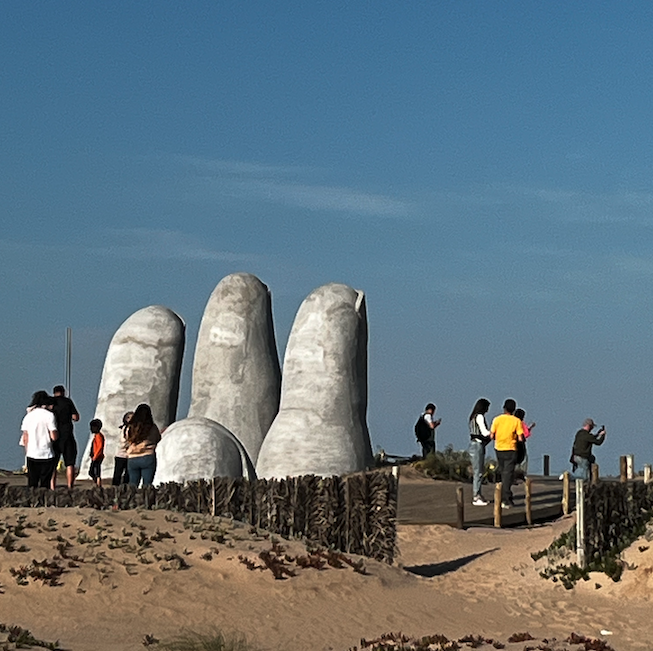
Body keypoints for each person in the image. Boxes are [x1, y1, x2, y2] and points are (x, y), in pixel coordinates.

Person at [20, 391, 58, 488]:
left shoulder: (28, 416)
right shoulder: (49, 415)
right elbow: (53, 436)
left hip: (32, 454)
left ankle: (33, 502)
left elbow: (25, 438)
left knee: (32, 482)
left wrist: (27, 452)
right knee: (45, 483)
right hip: (47, 454)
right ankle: (44, 501)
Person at [490, 398, 524, 509]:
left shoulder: (497, 420)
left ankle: (502, 496)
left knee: (503, 470)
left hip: (499, 448)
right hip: (511, 448)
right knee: (508, 474)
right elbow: (520, 438)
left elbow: (491, 435)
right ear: (514, 409)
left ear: (504, 408)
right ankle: (506, 498)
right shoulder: (516, 421)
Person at [50, 385, 80, 489]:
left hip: (54, 435)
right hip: (67, 435)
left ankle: (52, 486)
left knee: (52, 464)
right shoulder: (68, 402)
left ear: (54, 393)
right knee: (70, 463)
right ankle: (70, 486)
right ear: (64, 392)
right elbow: (76, 417)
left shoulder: (51, 403)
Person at [126, 404, 161, 487]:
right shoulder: (152, 427)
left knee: (133, 484)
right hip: (147, 456)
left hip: (132, 458)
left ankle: (131, 499)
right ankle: (146, 499)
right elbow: (158, 439)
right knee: (147, 485)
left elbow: (127, 439)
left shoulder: (130, 427)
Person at [468, 398, 492, 506]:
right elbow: (484, 432)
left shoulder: (472, 417)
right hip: (478, 444)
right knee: (478, 472)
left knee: (477, 471)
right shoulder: (480, 417)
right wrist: (493, 432)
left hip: (473, 444)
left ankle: (478, 495)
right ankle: (476, 496)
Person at [112, 411, 133, 486]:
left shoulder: (129, 429)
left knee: (127, 475)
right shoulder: (124, 429)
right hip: (122, 455)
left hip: (128, 455)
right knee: (118, 475)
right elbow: (123, 442)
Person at [514, 408, 536, 478]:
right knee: (523, 459)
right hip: (520, 443)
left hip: (512, 442)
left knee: (514, 459)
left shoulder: (512, 422)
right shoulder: (521, 423)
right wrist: (530, 428)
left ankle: (514, 474)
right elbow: (525, 434)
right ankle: (521, 474)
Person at [88, 419, 105, 487]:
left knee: (93, 471)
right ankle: (97, 483)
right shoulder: (96, 436)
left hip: (97, 457)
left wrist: (95, 456)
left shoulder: (99, 436)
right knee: (95, 470)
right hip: (95, 456)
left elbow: (100, 447)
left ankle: (98, 483)